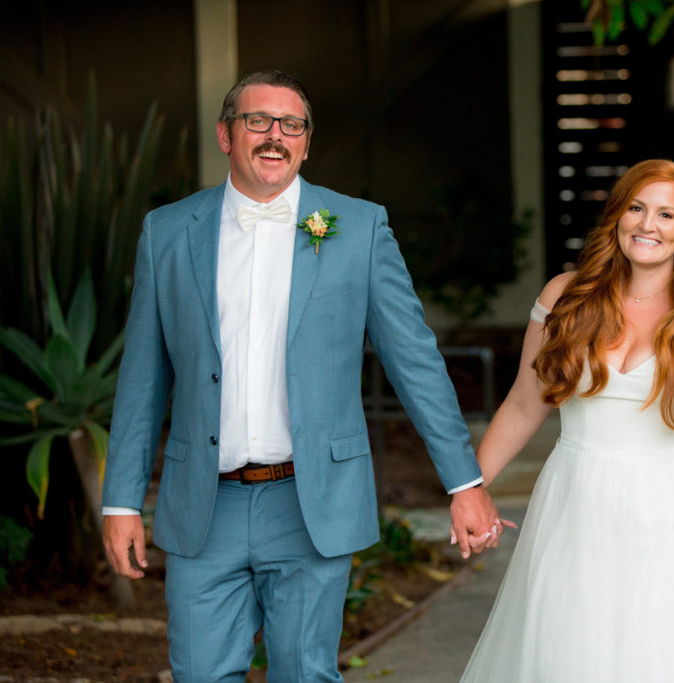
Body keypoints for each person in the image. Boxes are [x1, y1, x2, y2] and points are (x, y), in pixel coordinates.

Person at [101, 70, 503, 682]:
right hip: (203, 503)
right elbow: (142, 378)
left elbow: (414, 361)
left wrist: (465, 481)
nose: (274, 136)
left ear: (307, 143)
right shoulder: (168, 232)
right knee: (200, 675)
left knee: (305, 675)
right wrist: (123, 499)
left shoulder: (358, 228)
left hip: (310, 500)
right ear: (226, 134)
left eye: (292, 125)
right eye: (257, 121)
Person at [461, 159, 674, 682]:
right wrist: (469, 487)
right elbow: (523, 403)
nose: (647, 225)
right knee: (566, 655)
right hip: (576, 502)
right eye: (636, 208)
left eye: (666, 215)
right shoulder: (566, 296)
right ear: (617, 217)